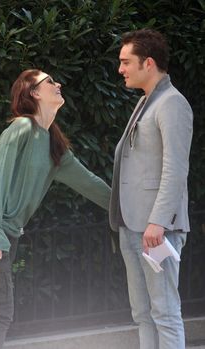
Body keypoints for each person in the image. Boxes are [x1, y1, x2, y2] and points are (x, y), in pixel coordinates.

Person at [0, 69, 111, 349]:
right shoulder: (22, 128)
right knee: (1, 313)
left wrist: (126, 208)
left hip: (3, 232)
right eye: (49, 82)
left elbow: (90, 184)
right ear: (33, 93)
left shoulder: (54, 145)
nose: (57, 84)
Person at [109, 29, 193, 349]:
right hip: (133, 226)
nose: (121, 69)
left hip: (157, 229)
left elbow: (175, 168)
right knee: (142, 314)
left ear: (148, 62)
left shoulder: (173, 103)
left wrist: (157, 221)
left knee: (164, 313)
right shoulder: (146, 101)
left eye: (125, 62)